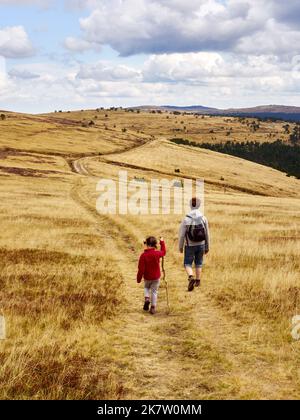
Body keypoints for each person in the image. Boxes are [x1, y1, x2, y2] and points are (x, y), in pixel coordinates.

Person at [178, 197, 210, 292]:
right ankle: (198, 281)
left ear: (190, 205)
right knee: (199, 262)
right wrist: (207, 246)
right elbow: (207, 234)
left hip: (189, 245)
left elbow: (181, 235)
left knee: (187, 263)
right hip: (201, 244)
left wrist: (180, 247)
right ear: (199, 205)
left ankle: (191, 277)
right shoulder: (203, 218)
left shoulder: (186, 219)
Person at [137, 236, 166, 315]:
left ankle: (147, 298)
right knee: (154, 291)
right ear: (155, 244)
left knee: (146, 288)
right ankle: (153, 307)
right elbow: (163, 252)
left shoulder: (143, 256)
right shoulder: (157, 253)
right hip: (156, 277)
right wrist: (162, 242)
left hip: (147, 277)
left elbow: (141, 269)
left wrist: (138, 279)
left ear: (147, 244)